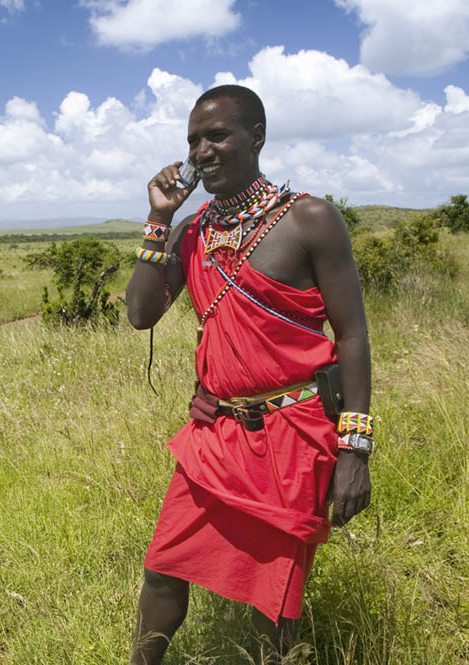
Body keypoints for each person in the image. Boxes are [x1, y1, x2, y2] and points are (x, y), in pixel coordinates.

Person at [125, 84, 373, 664]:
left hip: (294, 435)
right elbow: (141, 314)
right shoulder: (193, 232)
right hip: (215, 434)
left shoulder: (310, 219)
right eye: (193, 141)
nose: (201, 152)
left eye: (217, 136)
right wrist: (159, 220)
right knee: (163, 567)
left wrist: (355, 450)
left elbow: (354, 336)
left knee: (274, 602)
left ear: (256, 138)